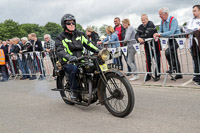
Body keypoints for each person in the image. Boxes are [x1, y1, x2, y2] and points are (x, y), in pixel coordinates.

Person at [55, 14, 100, 101]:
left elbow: (90, 45)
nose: (71, 24)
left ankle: (95, 88)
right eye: (68, 23)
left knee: (96, 65)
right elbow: (60, 50)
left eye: (73, 23)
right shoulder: (60, 37)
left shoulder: (80, 34)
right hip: (68, 61)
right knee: (74, 69)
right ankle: (73, 91)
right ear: (64, 25)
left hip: (81, 59)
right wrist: (69, 57)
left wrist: (101, 51)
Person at [153, 7, 183, 80]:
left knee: (168, 52)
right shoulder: (162, 21)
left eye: (160, 14)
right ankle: (179, 73)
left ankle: (172, 67)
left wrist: (159, 35)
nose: (159, 16)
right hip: (169, 40)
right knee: (174, 55)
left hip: (176, 39)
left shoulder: (173, 20)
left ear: (165, 14)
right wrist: (156, 34)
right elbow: (160, 30)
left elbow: (171, 32)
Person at [135, 14, 161, 82]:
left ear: (147, 19)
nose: (143, 21)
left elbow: (148, 34)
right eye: (142, 20)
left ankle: (157, 74)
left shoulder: (151, 24)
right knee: (148, 61)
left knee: (157, 60)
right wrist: (138, 38)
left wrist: (141, 38)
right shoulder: (140, 26)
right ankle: (148, 74)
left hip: (155, 45)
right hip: (147, 46)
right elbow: (137, 34)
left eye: (144, 20)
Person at [184, 4, 200, 86]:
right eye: (192, 11)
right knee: (196, 61)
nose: (193, 12)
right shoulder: (191, 21)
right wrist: (196, 29)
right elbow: (186, 29)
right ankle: (197, 77)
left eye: (195, 10)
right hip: (194, 44)